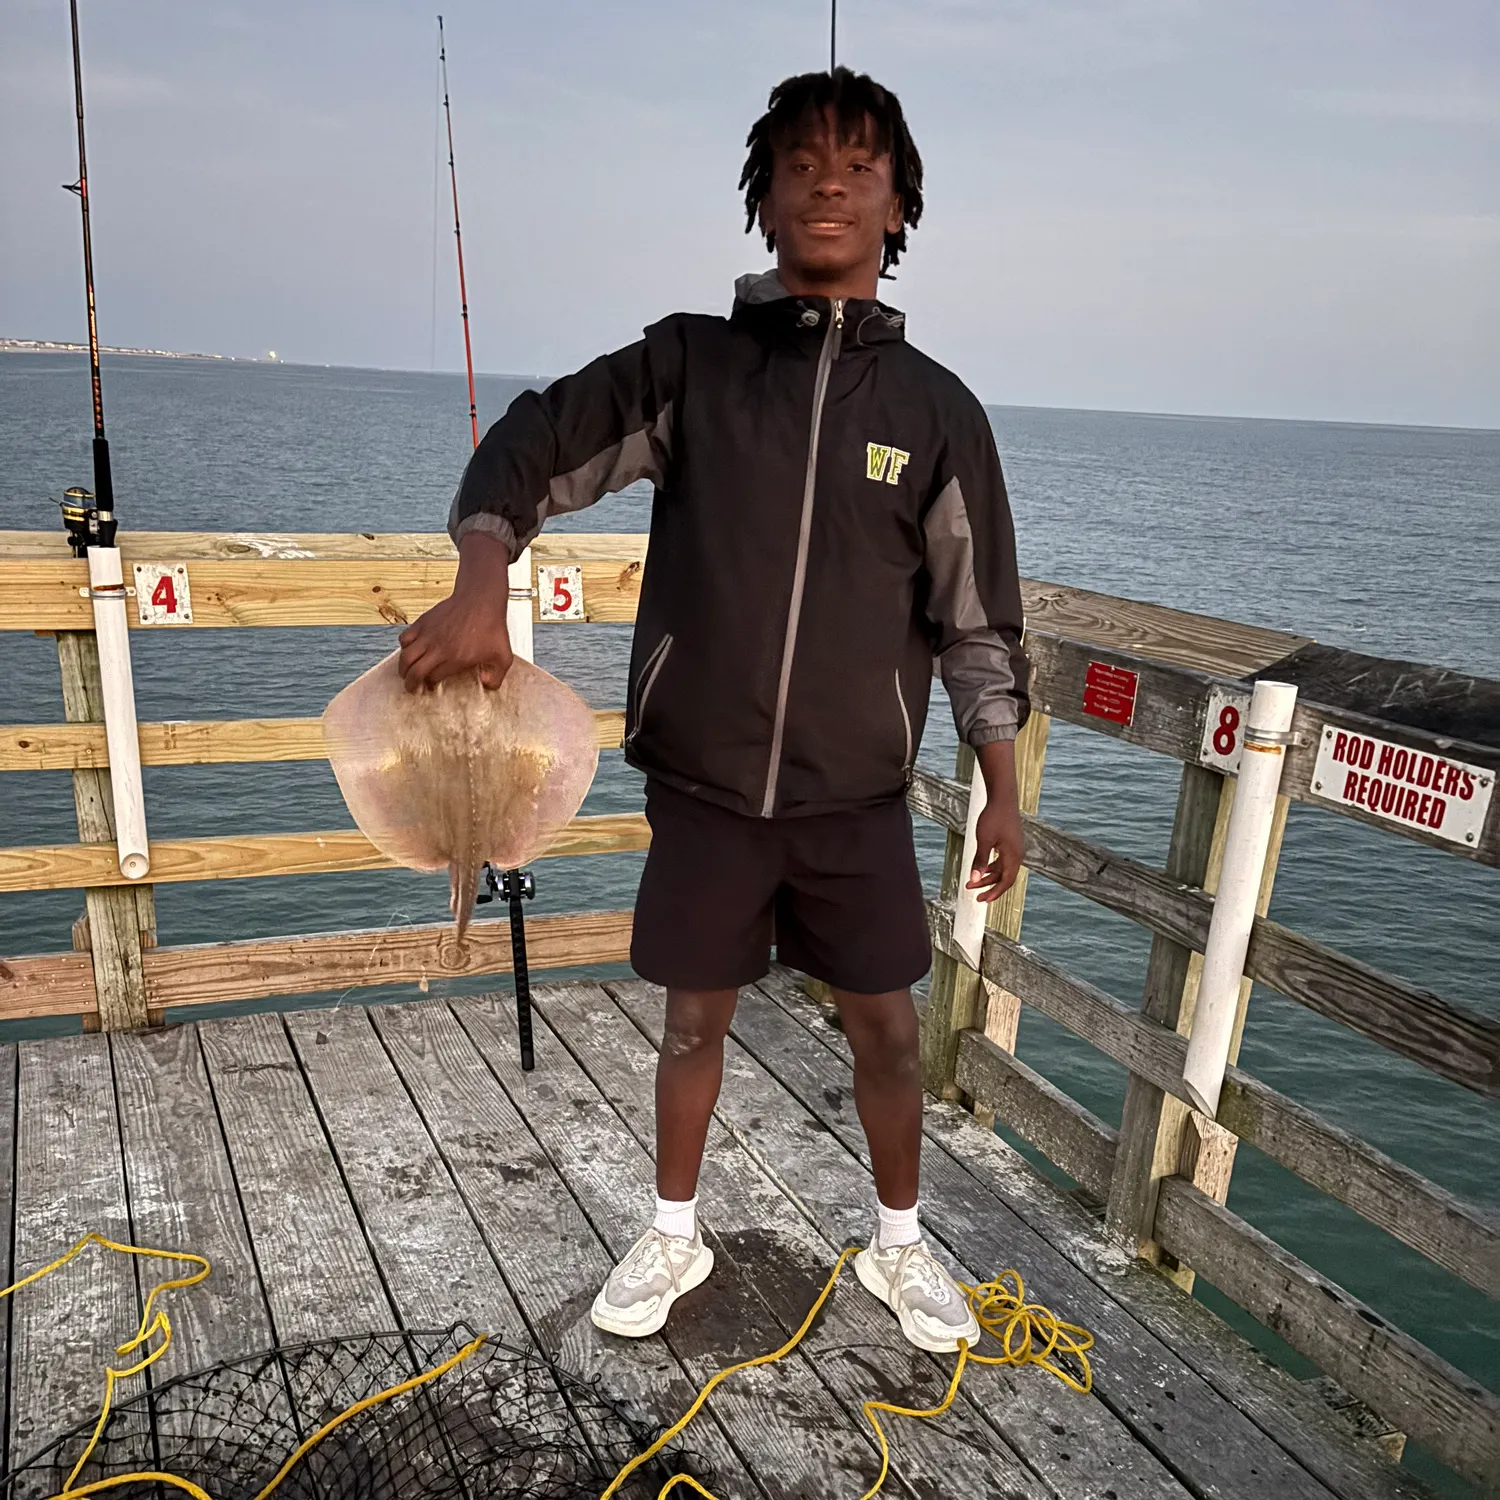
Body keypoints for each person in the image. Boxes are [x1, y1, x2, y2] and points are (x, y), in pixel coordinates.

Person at [398, 67, 1028, 1356]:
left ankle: (898, 1244)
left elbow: (977, 620)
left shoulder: (938, 414)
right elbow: (535, 439)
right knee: (692, 1018)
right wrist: (482, 574)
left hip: (857, 801)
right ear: (764, 196)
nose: (830, 183)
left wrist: (1003, 780)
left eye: (859, 164)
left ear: (900, 201)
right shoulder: (690, 364)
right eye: (801, 163)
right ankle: (673, 1227)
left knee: (891, 1031)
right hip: (706, 789)